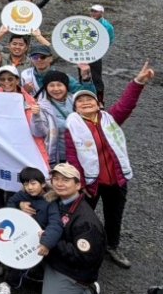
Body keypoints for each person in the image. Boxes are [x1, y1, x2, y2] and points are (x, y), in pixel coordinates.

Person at [65, 62, 154, 269]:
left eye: (89, 99)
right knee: (84, 216)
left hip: (116, 179)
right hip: (91, 182)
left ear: (99, 104)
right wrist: (79, 183)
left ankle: (112, 246)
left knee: (114, 215)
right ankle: (80, 246)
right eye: (80, 101)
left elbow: (126, 104)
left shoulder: (110, 119)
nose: (85, 102)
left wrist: (138, 82)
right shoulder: (73, 126)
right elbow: (72, 157)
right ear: (75, 108)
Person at [0, 167, 63, 294]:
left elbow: (55, 225)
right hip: (18, 231)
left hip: (36, 238)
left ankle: (7, 285)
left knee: (23, 260)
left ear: (43, 184)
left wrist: (47, 242)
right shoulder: (22, 195)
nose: (29, 187)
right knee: (1, 239)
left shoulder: (50, 202)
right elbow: (10, 204)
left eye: (33, 183)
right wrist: (19, 206)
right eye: (26, 184)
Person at [0, 65, 51, 213]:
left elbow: (39, 132)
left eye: (10, 79)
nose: (6, 82)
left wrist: (36, 115)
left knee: (16, 178)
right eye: (2, 79)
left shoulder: (29, 102)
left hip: (20, 148)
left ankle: (12, 210)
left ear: (17, 80)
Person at [40, 163, 105, 294]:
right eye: (56, 179)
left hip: (72, 271)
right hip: (53, 257)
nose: (59, 183)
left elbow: (84, 258)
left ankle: (90, 292)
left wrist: (51, 240)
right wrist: (22, 205)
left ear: (78, 185)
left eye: (66, 180)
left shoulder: (86, 221)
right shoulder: (54, 200)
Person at [20, 44, 93, 96]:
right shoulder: (25, 75)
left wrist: (86, 79)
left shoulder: (61, 77)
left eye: (43, 57)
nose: (39, 60)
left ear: (50, 58)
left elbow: (87, 95)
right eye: (35, 57)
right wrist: (24, 91)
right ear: (31, 59)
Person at [88, 4, 115, 103]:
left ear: (101, 13)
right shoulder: (86, 22)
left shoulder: (107, 26)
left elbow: (110, 40)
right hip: (84, 53)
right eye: (92, 11)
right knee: (83, 74)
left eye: (96, 11)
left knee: (96, 77)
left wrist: (100, 50)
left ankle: (100, 100)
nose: (93, 13)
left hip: (96, 54)